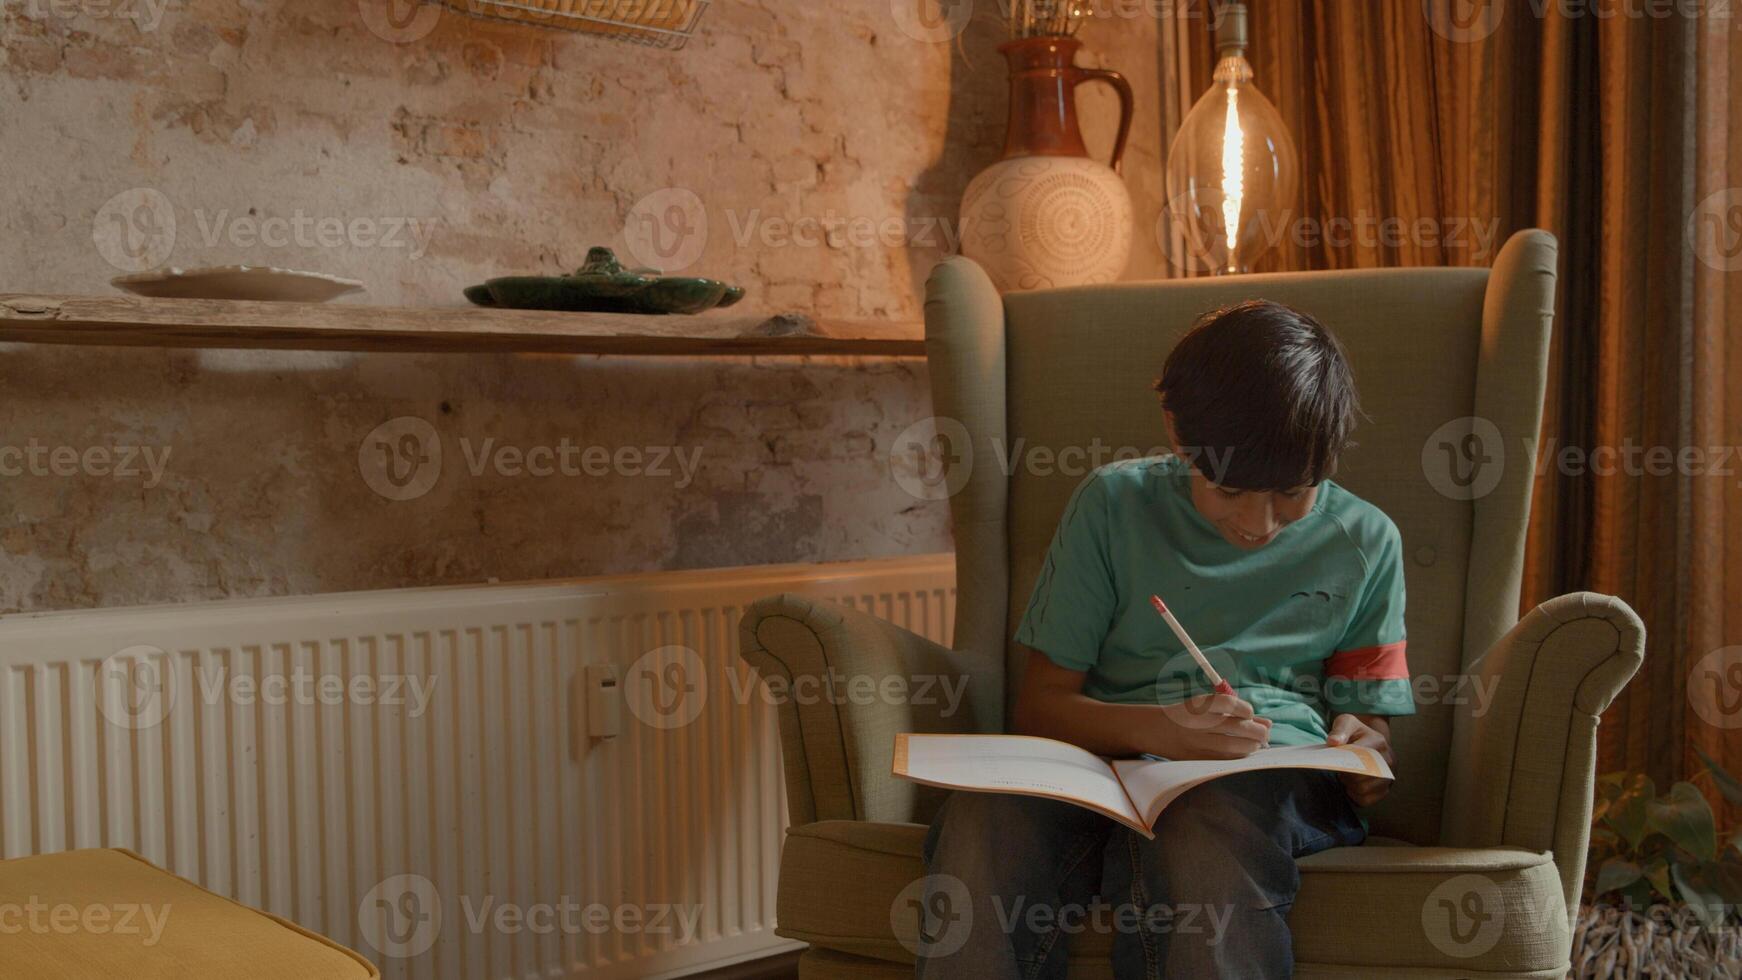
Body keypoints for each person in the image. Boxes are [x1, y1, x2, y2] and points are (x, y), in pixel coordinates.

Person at [917, 300, 1414, 979]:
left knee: (1207, 827)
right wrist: (1163, 730)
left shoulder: (1368, 540)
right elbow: (1041, 706)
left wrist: (1367, 747)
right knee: (981, 823)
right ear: (1178, 435)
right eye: (1229, 489)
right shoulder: (1111, 507)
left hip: (1268, 782)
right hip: (1100, 778)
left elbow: (1368, 714)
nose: (1258, 523)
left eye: (1293, 493)